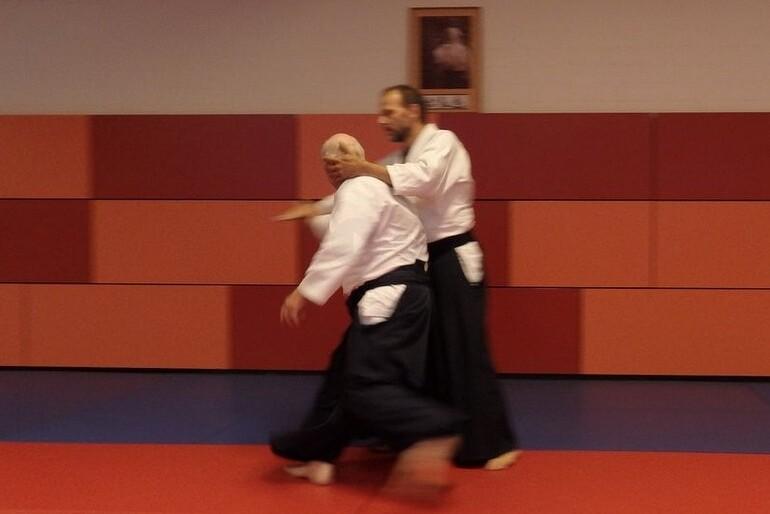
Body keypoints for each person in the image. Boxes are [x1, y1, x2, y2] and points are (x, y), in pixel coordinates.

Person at [320, 85, 519, 470]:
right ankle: (413, 433)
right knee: (421, 354)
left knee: (463, 349)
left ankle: (492, 445)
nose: (381, 119)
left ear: (413, 111)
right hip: (420, 262)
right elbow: (371, 189)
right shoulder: (397, 158)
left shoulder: (444, 142)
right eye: (381, 112)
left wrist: (364, 168)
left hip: (453, 256)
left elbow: (425, 179)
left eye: (390, 111)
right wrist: (316, 207)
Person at [271, 133, 463, 496]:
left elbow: (344, 243)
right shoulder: (382, 189)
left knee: (366, 385)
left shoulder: (358, 188)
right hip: (403, 297)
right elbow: (342, 228)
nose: (334, 163)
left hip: (387, 297)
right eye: (329, 158)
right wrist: (312, 212)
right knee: (340, 378)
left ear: (349, 161)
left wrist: (304, 291)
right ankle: (318, 456)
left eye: (339, 156)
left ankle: (433, 428)